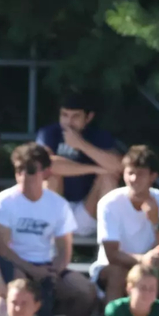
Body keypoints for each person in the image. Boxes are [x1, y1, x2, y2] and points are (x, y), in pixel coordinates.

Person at [0, 143, 96, 316]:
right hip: (15, 265)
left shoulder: (58, 204)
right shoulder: (3, 202)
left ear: (46, 172)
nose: (23, 175)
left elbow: (64, 250)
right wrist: (32, 270)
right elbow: (2, 249)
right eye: (19, 169)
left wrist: (55, 271)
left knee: (85, 292)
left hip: (46, 266)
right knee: (22, 290)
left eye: (30, 169)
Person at [92, 145, 159, 316]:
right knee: (117, 274)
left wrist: (156, 222)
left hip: (153, 270)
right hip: (114, 267)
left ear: (153, 176)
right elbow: (112, 255)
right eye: (130, 173)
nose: (133, 179)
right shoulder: (109, 203)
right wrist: (143, 259)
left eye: (140, 174)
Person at [36, 92, 122, 236]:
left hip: (88, 208)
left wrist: (81, 144)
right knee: (51, 176)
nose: (69, 122)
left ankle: (109, 238)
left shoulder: (98, 135)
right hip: (57, 212)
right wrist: (95, 169)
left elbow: (118, 166)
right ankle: (48, 238)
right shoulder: (49, 133)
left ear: (89, 117)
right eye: (64, 115)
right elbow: (46, 164)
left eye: (75, 116)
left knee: (109, 177)